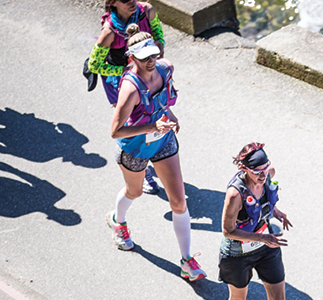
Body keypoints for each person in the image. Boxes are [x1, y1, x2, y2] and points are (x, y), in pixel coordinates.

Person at [104, 24, 206, 281]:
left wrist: (169, 115)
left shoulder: (165, 68)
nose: (151, 61)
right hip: (135, 148)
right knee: (134, 192)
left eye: (153, 55)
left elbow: (163, 101)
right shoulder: (130, 89)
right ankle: (118, 220)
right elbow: (115, 131)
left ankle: (187, 261)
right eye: (144, 58)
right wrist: (152, 125)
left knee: (179, 202)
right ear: (131, 58)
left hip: (163, 141)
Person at [88, 0, 165, 194]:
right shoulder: (109, 33)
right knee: (131, 125)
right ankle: (142, 168)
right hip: (121, 83)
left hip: (147, 74)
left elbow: (159, 35)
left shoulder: (147, 11)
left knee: (153, 114)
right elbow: (94, 65)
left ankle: (153, 153)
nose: (132, 1)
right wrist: (125, 70)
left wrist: (157, 50)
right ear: (113, 2)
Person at [219, 143, 293, 300]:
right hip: (238, 252)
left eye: (265, 168)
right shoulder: (235, 194)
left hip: (266, 246)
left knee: (279, 297)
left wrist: (276, 211)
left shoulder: (267, 174)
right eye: (257, 172)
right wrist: (262, 238)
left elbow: (262, 202)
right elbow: (227, 231)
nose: (263, 175)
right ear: (244, 170)